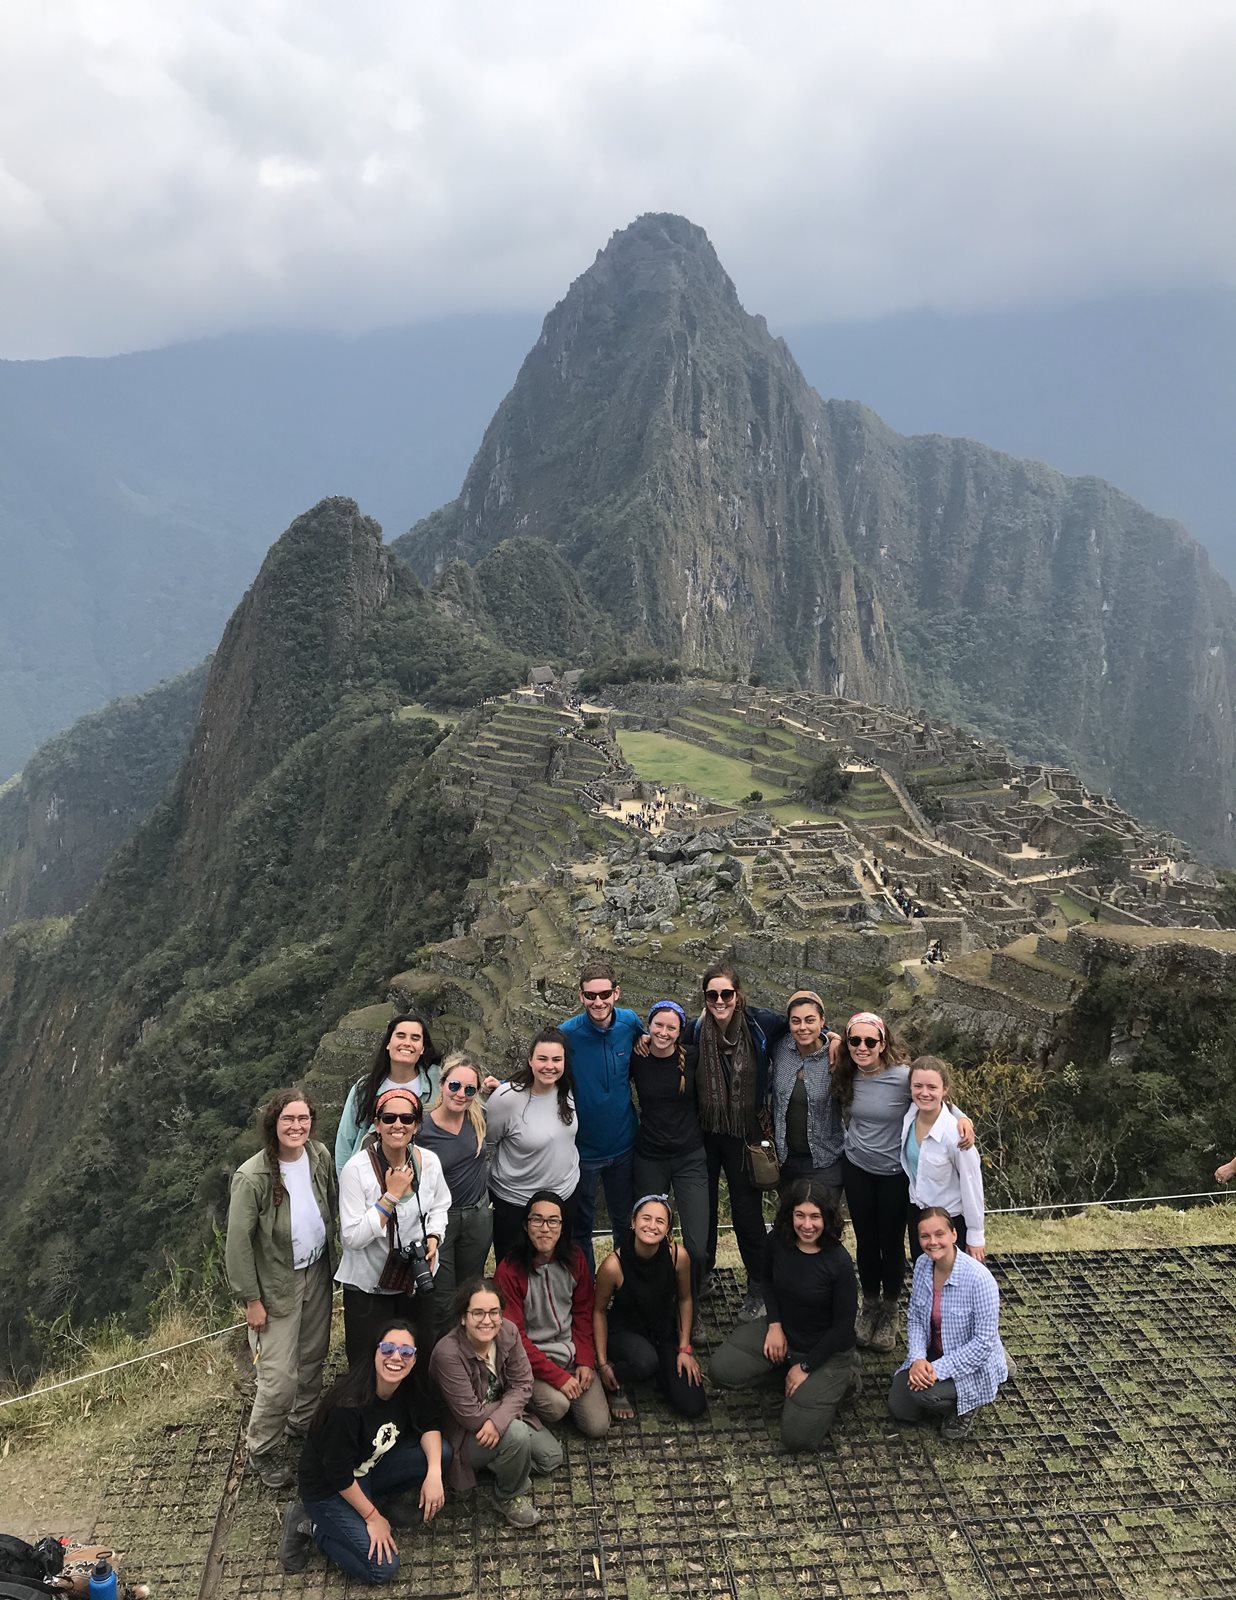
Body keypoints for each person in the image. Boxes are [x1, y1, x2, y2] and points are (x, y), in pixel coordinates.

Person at [833, 1012, 974, 1354]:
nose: (862, 1047)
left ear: (883, 1044)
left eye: (870, 1041)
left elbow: (934, 1098)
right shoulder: (845, 1074)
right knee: (866, 1240)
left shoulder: (900, 1078)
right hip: (857, 1168)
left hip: (895, 1174)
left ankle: (892, 1307)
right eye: (855, 1041)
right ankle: (870, 1305)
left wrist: (962, 1118)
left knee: (891, 1242)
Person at [226, 1087, 338, 1490]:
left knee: (313, 1356)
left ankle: (302, 1423)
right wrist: (251, 1300)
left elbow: (331, 1204)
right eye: (288, 1119)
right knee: (278, 1378)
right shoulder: (253, 1176)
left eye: (303, 1118)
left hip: (317, 1273)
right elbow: (237, 1243)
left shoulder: (318, 1156)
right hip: (276, 1284)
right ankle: (262, 1447)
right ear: (273, 1124)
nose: (297, 1126)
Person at [280, 1319, 447, 1583]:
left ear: (414, 1360)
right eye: (388, 1348)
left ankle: (380, 1501)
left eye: (406, 1352)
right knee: (383, 1568)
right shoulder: (347, 1407)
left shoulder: (407, 1386)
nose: (396, 1357)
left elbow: (429, 1424)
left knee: (441, 1454)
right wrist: (372, 1517)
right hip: (330, 1489)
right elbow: (337, 1473)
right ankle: (311, 1525)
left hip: (368, 1468)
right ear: (374, 1352)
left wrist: (435, 1474)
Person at [710, 1181, 859, 1451]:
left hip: (828, 1349)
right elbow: (766, 1280)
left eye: (815, 1216)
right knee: (721, 1370)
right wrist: (775, 1325)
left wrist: (805, 1367)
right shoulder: (778, 1242)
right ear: (789, 1215)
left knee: (797, 1438)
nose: (807, 1225)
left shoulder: (839, 1261)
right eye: (799, 1215)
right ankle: (786, 1377)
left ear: (827, 1218)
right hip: (786, 1333)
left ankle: (844, 1381)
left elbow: (843, 1328)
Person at [686, 962, 789, 1320]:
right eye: (712, 995)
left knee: (747, 1213)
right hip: (705, 1132)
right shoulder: (695, 1031)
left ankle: (758, 1286)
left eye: (726, 994)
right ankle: (703, 1277)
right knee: (706, 1208)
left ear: (737, 994)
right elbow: (662, 1040)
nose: (719, 1001)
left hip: (746, 1133)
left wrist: (833, 1038)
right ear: (704, 997)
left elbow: (802, 1024)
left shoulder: (761, 1024)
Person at [430, 1278, 563, 1528]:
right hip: (464, 1435)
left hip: (500, 1420)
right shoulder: (447, 1354)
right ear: (462, 1317)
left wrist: (498, 1418)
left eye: (494, 1312)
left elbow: (524, 1383)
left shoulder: (508, 1332)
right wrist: (504, 1416)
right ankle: (509, 1495)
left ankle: (501, 1462)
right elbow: (470, 1416)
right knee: (517, 1434)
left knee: (551, 1458)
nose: (487, 1320)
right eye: (477, 1313)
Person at [337, 1087, 451, 1364]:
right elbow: (352, 1237)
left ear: (417, 1125)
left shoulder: (430, 1162)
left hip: (414, 1280)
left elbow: (440, 1205)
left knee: (414, 1357)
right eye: (388, 1118)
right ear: (376, 1125)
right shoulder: (356, 1170)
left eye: (406, 1118)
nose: (397, 1125)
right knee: (368, 1364)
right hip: (369, 1288)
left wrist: (434, 1237)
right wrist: (390, 1197)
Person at [494, 1191, 611, 1438]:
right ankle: (523, 1396)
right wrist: (558, 1377)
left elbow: (583, 1311)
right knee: (557, 1407)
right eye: (537, 1220)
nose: (545, 1228)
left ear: (562, 1226)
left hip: (571, 1355)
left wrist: (586, 1362)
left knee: (597, 1426)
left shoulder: (575, 1258)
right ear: (526, 1226)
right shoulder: (509, 1271)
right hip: (531, 1362)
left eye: (553, 1221)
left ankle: (564, 1396)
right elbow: (515, 1338)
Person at [888, 1208, 1008, 1441]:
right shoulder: (923, 1265)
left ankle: (967, 1405)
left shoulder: (980, 1280)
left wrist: (937, 1371)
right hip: (935, 1352)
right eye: (925, 1236)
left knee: (923, 1395)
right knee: (901, 1408)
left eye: (939, 1234)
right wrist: (918, 1360)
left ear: (954, 1235)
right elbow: (916, 1319)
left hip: (972, 1361)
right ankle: (946, 1392)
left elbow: (982, 1344)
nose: (932, 1242)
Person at [557, 960, 646, 1270]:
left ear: (616, 993)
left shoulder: (630, 1023)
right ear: (581, 997)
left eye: (604, 994)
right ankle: (588, 1288)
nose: (598, 1002)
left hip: (623, 1145)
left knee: (624, 1221)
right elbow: (541, 1068)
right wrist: (501, 1086)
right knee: (581, 1227)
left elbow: (652, 1044)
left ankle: (622, 1281)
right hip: (582, 1151)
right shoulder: (567, 1034)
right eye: (590, 996)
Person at [593, 1195, 706, 1421]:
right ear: (633, 1222)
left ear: (667, 1229)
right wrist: (602, 1362)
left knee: (692, 1405)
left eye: (660, 1221)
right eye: (646, 1218)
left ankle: (658, 1373)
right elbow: (599, 1311)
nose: (652, 1226)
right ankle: (613, 1381)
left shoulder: (678, 1256)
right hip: (624, 1331)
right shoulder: (613, 1265)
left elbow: (684, 1299)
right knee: (646, 1361)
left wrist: (684, 1349)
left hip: (662, 1332)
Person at [630, 1001, 708, 1298]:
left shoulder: (694, 1057)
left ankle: (690, 1301)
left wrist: (830, 1038)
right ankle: (654, 1299)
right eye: (657, 1025)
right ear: (648, 1026)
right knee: (648, 1240)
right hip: (650, 1158)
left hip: (690, 1158)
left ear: (681, 1031)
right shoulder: (637, 1057)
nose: (663, 1032)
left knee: (697, 1247)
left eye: (670, 1027)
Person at [485, 1029, 580, 1262]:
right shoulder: (506, 1099)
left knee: (558, 1266)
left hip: (563, 1197)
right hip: (516, 1202)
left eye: (557, 1059)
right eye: (542, 1059)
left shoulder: (566, 1088)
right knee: (513, 1269)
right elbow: (487, 1142)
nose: (550, 1066)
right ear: (530, 1060)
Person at [418, 1053, 492, 1336]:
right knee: (442, 1297)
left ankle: (469, 1353)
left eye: (469, 1090)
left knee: (471, 1290)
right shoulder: (421, 1128)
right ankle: (442, 1364)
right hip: (441, 1221)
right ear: (442, 1084)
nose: (461, 1094)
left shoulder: (478, 1117)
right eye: (455, 1086)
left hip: (477, 1215)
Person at [335, 1013, 443, 1174]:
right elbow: (346, 1140)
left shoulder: (437, 1082)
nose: (407, 1043)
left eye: (415, 1038)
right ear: (388, 1043)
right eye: (400, 1036)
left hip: (422, 1179)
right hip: (371, 1179)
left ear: (423, 1048)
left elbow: (464, 1089)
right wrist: (346, 1182)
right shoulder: (365, 1088)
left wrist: (489, 1087)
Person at [901, 1057, 986, 1261]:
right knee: (925, 1275)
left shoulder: (956, 1135)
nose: (924, 1093)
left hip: (950, 1220)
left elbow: (972, 1184)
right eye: (918, 1086)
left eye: (932, 1087)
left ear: (944, 1089)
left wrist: (976, 1235)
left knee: (952, 1284)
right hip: (918, 1215)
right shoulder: (910, 1116)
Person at [768, 990, 843, 1206]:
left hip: (825, 1160)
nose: (802, 1027)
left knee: (823, 1223)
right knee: (791, 1224)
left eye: (810, 1020)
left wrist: (835, 1038)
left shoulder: (837, 1056)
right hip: (786, 1160)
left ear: (822, 1021)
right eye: (796, 1021)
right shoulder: (780, 1048)